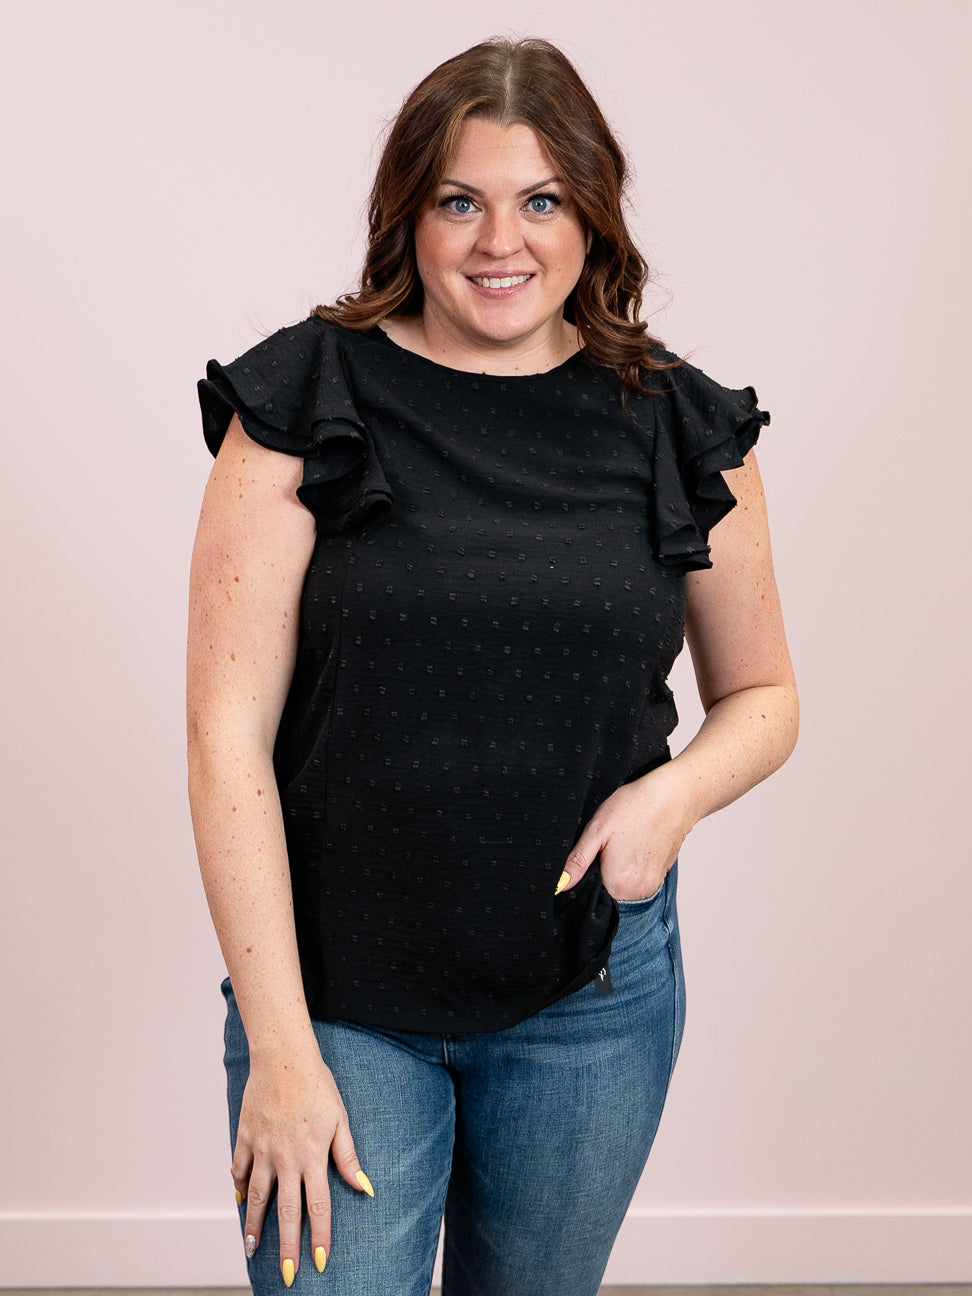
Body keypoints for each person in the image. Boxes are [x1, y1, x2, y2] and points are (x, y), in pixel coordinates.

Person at [188, 35, 798, 1296]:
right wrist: (283, 1052)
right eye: (460, 201)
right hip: (336, 999)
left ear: (593, 216)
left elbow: (765, 696)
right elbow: (223, 736)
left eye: (542, 201)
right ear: (408, 215)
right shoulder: (306, 399)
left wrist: (673, 796)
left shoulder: (682, 425)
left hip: (590, 994)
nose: (499, 242)